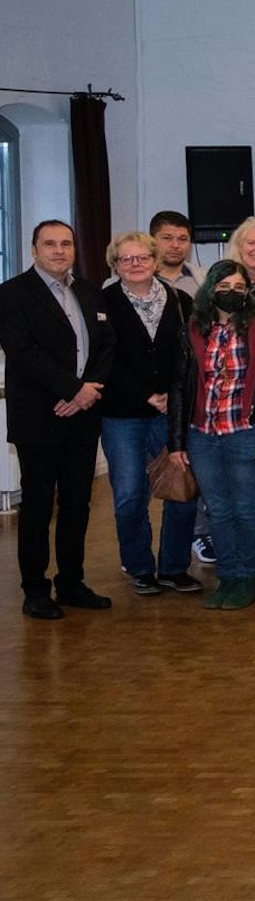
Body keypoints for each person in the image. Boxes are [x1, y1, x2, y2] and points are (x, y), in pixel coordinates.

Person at [2, 221, 114, 619]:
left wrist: (88, 390)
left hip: (82, 416)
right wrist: (72, 390)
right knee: (36, 505)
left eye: (66, 243)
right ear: (34, 249)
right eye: (49, 244)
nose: (59, 250)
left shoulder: (88, 291)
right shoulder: (12, 294)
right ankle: (35, 589)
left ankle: (71, 582)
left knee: (77, 503)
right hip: (40, 415)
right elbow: (23, 352)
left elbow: (106, 346)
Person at [166, 260, 255, 610]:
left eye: (239, 287)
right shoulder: (193, 329)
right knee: (218, 509)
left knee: (247, 508)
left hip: (246, 433)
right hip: (202, 434)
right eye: (224, 286)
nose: (231, 293)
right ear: (210, 289)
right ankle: (228, 576)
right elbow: (178, 386)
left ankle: (247, 576)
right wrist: (176, 441)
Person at [99, 232, 199, 596]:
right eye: (126, 259)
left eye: (142, 258)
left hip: (172, 413)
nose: (136, 264)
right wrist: (147, 396)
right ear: (115, 266)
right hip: (121, 413)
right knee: (129, 494)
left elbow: (191, 357)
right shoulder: (102, 303)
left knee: (182, 489)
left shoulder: (181, 301)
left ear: (156, 262)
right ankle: (140, 567)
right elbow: (104, 360)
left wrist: (172, 396)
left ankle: (174, 567)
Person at [150, 211, 203, 297]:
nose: (175, 245)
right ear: (151, 241)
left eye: (182, 239)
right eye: (167, 238)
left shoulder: (204, 279)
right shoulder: (138, 279)